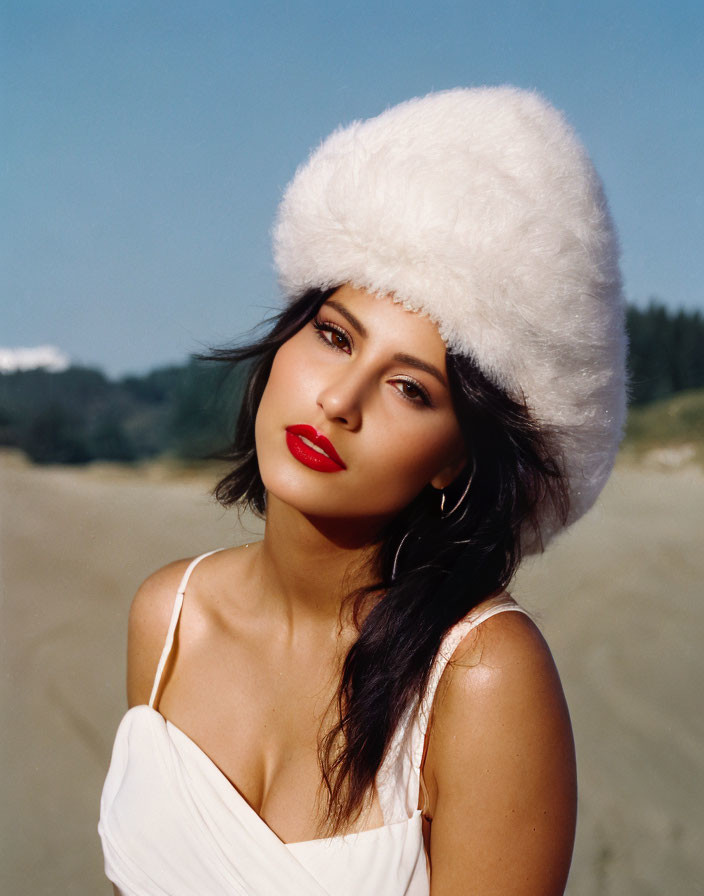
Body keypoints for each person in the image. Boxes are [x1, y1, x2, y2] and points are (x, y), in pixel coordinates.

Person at [99, 87, 627, 895]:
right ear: (285, 337)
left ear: (455, 458)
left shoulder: (482, 677)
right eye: (334, 335)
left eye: (411, 389)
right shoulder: (168, 617)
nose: (340, 399)